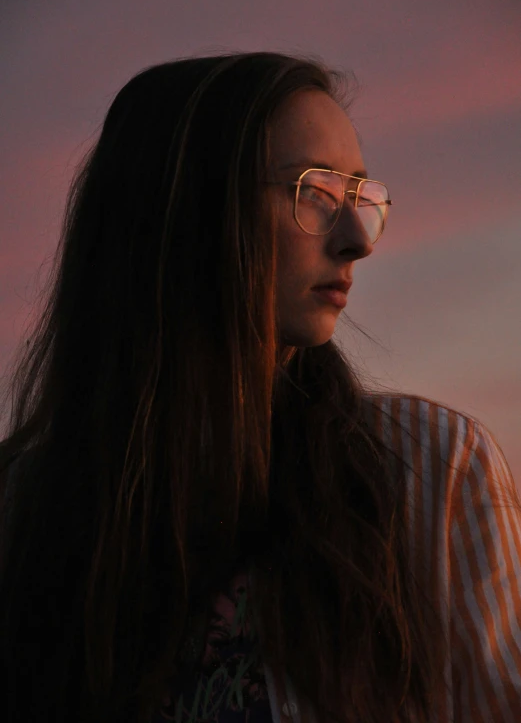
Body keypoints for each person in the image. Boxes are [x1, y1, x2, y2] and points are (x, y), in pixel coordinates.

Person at [0, 51, 520, 723]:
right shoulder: (22, 511)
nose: (357, 240)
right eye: (315, 191)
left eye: (361, 196)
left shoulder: (431, 470)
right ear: (184, 208)